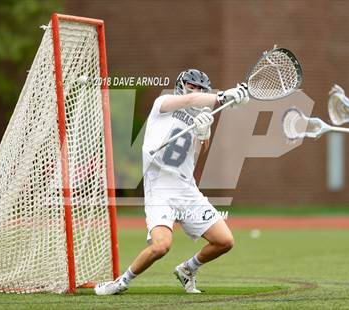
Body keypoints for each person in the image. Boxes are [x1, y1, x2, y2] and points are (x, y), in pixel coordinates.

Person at [95, 69, 249, 295]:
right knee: (161, 246)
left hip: (186, 189)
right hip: (160, 187)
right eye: (191, 85)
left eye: (200, 88)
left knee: (224, 241)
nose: (195, 91)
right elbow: (189, 99)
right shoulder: (164, 103)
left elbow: (197, 154)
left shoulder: (201, 113)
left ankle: (188, 269)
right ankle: (121, 282)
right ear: (181, 85)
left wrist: (204, 133)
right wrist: (222, 96)